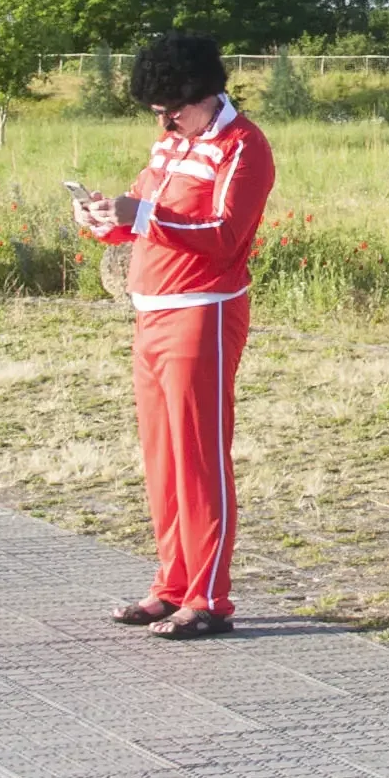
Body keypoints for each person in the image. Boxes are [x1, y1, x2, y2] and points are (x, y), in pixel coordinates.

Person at [76, 34, 274, 641]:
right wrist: (105, 220)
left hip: (203, 312)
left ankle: (209, 597)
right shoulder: (169, 142)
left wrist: (139, 217)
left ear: (203, 94)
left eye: (173, 109)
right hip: (150, 311)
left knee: (199, 455)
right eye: (158, 112)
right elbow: (144, 214)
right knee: (162, 458)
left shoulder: (244, 146)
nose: (165, 121)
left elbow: (224, 234)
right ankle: (171, 584)